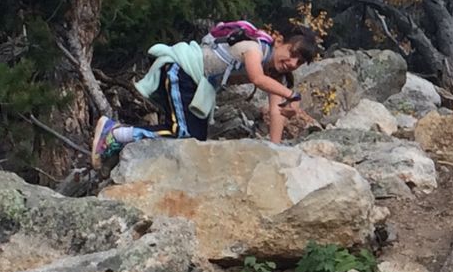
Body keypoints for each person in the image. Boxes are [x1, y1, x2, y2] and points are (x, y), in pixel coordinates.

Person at [90, 24, 319, 167]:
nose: (292, 63)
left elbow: (276, 109)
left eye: (299, 62)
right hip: (181, 70)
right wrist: (293, 95)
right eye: (291, 54)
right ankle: (116, 133)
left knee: (194, 142)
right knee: (181, 133)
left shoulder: (273, 73)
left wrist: (275, 150)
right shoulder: (255, 47)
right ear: (279, 41)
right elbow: (257, 78)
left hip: (193, 82)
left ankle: (120, 147)